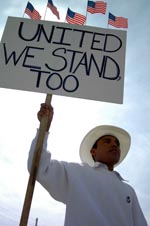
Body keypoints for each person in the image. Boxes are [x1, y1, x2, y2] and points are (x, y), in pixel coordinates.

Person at [28, 103, 148, 226]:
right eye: (107, 141)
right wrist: (44, 130)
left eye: (117, 143)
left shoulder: (129, 191)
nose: (114, 145)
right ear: (93, 151)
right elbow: (40, 167)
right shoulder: (76, 173)